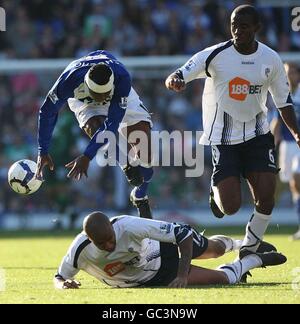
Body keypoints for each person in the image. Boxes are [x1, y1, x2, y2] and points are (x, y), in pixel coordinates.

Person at [165, 5, 300, 257]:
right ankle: (215, 194)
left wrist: (296, 133)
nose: (237, 30)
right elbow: (181, 71)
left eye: (244, 26)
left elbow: (284, 102)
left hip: (257, 135)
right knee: (230, 207)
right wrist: (176, 79)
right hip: (223, 139)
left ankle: (248, 249)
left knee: (266, 198)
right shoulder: (216, 54)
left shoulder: (270, 59)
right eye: (233, 25)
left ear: (257, 28)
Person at [35, 50, 153, 219]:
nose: (101, 100)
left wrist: (86, 156)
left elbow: (112, 124)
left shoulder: (122, 79)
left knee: (145, 153)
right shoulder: (69, 81)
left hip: (118, 98)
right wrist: (43, 150)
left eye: (104, 95)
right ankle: (124, 161)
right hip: (84, 101)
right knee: (95, 128)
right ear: (87, 83)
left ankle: (140, 196)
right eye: (98, 95)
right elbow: (47, 111)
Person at [54, 211, 286, 289]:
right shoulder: (79, 251)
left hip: (163, 246)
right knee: (224, 279)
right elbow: (59, 276)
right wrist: (63, 285)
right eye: (102, 244)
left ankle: (240, 244)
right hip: (153, 277)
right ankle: (253, 260)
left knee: (213, 250)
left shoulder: (129, 226)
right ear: (89, 239)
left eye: (110, 239)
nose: (109, 246)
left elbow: (181, 235)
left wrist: (182, 274)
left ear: (112, 230)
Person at [271, 63, 300, 240]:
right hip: (287, 145)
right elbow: (277, 121)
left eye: (293, 73)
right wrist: (270, 145)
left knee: (297, 178)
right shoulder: (282, 93)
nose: (290, 77)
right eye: (287, 74)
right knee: (294, 186)